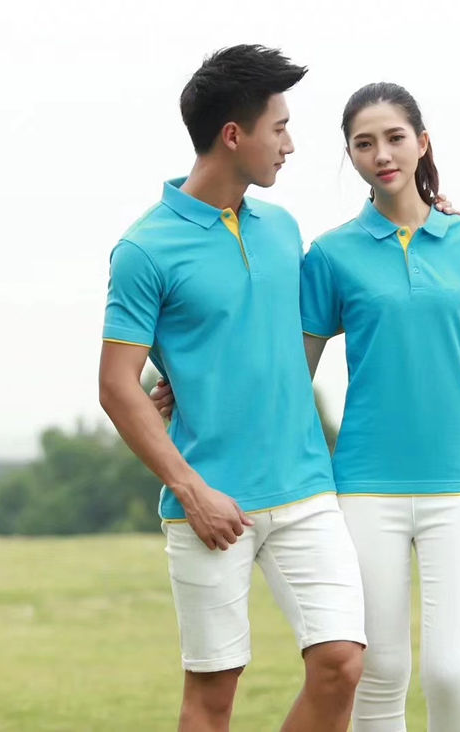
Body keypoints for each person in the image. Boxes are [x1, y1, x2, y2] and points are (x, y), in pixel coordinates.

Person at [99, 45, 367, 732]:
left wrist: (425, 208)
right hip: (209, 503)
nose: (290, 145)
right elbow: (116, 385)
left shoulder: (281, 229)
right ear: (232, 135)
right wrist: (192, 490)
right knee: (213, 695)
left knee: (341, 663)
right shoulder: (145, 249)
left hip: (305, 487)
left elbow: (265, 334)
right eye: (279, 127)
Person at [299, 83, 460, 731]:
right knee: (381, 670)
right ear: (350, 155)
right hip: (365, 487)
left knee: (451, 671)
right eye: (363, 144)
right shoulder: (331, 254)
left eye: (395, 138)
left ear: (422, 143)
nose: (382, 154)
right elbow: (292, 376)